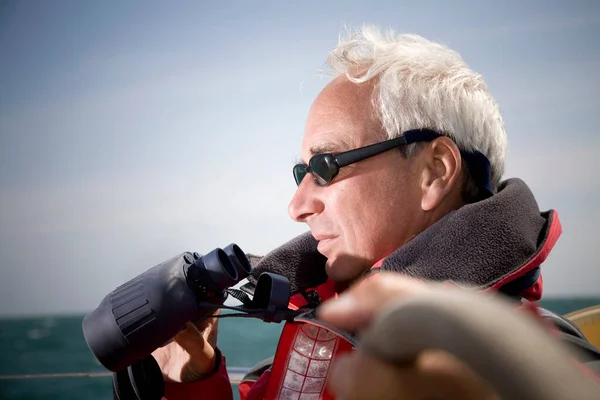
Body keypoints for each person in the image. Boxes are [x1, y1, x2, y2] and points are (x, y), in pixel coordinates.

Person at [149, 25, 599, 399]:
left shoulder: (519, 368)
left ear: (434, 173)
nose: (297, 206)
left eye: (325, 167)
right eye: (301, 172)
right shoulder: (313, 335)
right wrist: (192, 382)